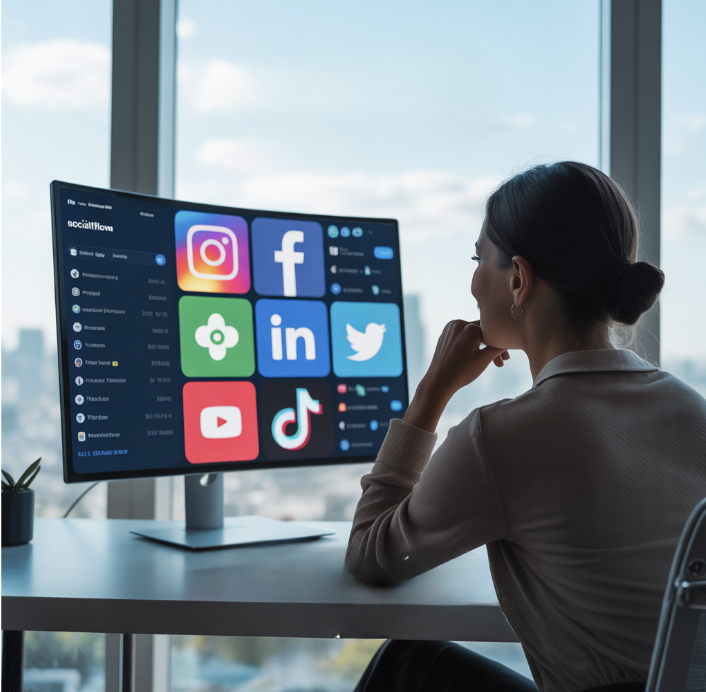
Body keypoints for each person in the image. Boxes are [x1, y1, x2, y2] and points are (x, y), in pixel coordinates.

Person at [346, 161, 706, 692]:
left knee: (409, 666)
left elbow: (371, 555)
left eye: (478, 259)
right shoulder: (689, 407)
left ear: (518, 279)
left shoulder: (501, 438)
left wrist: (430, 394)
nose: (472, 283)